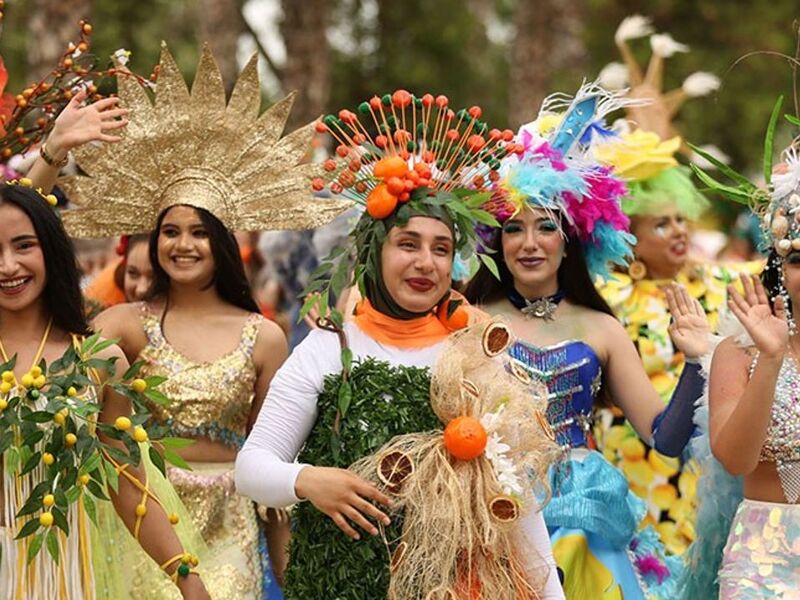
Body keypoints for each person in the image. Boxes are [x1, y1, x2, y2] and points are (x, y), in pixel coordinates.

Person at [33, 45, 350, 598]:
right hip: (140, 522)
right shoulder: (123, 325)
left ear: (224, 244)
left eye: (200, 231)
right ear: (153, 242)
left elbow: (273, 462)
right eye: (171, 231)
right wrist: (52, 152)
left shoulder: (265, 338)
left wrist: (293, 579)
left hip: (232, 528)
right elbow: (23, 255)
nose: (183, 244)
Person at [236, 90, 565, 599]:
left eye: (441, 249)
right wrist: (308, 481)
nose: (425, 263)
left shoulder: (474, 353)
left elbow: (513, 493)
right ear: (373, 251)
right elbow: (252, 467)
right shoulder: (329, 348)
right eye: (407, 244)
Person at [464, 84, 708, 599]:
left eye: (545, 227)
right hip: (489, 509)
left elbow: (665, 438)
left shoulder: (601, 328)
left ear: (568, 239)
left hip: (585, 514)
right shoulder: (466, 321)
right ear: (496, 242)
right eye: (513, 229)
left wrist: (695, 364)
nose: (529, 243)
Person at [0, 181, 209, 599]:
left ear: (52, 250)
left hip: (67, 575)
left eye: (24, 246)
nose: (8, 266)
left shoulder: (99, 361)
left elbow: (128, 482)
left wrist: (190, 584)